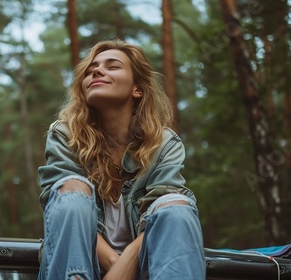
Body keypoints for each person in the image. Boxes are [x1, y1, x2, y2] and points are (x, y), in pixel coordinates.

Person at [38, 39, 205, 280]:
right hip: (75, 268)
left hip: (150, 268)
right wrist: (116, 265)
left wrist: (126, 262)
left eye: (112, 66)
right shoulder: (65, 134)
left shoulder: (164, 143)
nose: (96, 70)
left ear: (137, 89)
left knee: (176, 206)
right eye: (90, 69)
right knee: (73, 189)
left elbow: (162, 220)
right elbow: (60, 215)